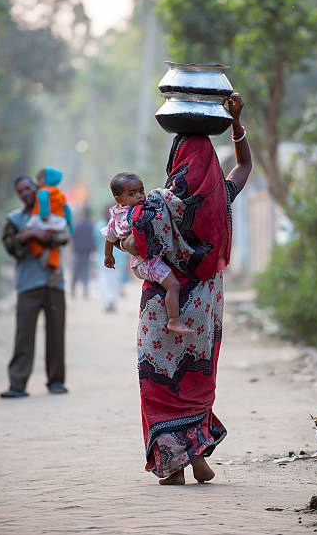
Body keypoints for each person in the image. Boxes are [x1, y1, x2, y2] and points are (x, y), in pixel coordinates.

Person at [119, 93, 252, 484]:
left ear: (176, 160)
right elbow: (245, 165)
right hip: (203, 313)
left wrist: (122, 240)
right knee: (196, 379)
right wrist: (236, 123)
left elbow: (132, 243)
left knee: (159, 381)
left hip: (163, 312)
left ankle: (172, 465)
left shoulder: (158, 205)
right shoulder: (221, 199)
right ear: (211, 166)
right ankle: (196, 459)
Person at [0, 175, 70, 398]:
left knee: (56, 333)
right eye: (20, 191)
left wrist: (44, 234)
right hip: (27, 284)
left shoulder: (54, 213)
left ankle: (56, 381)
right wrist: (28, 234)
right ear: (18, 195)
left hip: (54, 282)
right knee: (24, 335)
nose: (26, 193)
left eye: (28, 188)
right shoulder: (14, 220)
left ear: (36, 188)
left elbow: (64, 237)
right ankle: (17, 385)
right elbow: (11, 248)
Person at [102, 173, 194, 335]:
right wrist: (108, 256)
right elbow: (110, 237)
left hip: (144, 261)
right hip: (145, 263)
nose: (139, 196)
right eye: (132, 194)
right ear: (119, 200)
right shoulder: (127, 217)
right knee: (173, 285)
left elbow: (110, 237)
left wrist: (109, 255)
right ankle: (174, 320)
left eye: (141, 191)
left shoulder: (127, 214)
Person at [27, 167, 73, 270]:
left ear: (46, 179)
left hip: (44, 219)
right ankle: (54, 264)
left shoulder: (43, 190)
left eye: (39, 180)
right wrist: (70, 226)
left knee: (28, 232)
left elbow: (43, 200)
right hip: (59, 222)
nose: (37, 183)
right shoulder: (60, 193)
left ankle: (38, 252)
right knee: (53, 245)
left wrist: (44, 214)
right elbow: (67, 211)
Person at [94, 205, 129, 312]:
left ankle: (111, 302)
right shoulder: (101, 226)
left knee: (113, 282)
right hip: (104, 258)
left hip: (116, 258)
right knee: (106, 282)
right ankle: (108, 302)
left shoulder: (101, 226)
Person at [71, 206, 95, 298]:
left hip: (78, 251)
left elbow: (73, 237)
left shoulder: (77, 225)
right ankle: (85, 291)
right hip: (88, 252)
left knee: (76, 271)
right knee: (86, 271)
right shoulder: (92, 225)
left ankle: (73, 290)